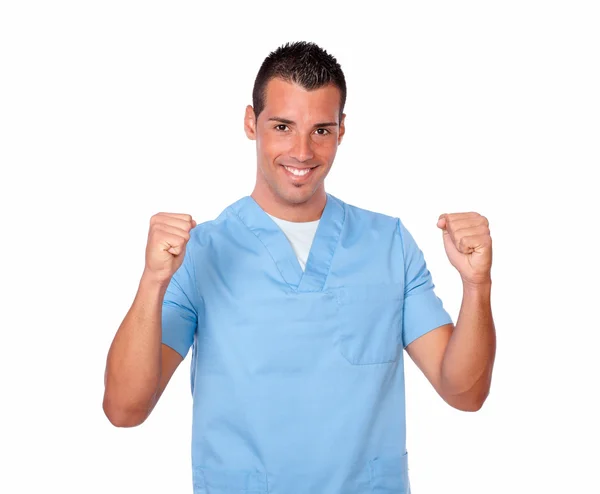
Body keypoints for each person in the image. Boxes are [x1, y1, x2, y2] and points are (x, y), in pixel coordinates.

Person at [103, 41, 496, 493]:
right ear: (251, 123)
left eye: (322, 130)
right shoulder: (199, 252)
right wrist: (153, 281)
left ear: (342, 130)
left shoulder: (388, 245)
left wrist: (476, 285)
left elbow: (465, 394)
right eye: (283, 126)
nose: (303, 151)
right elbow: (124, 409)